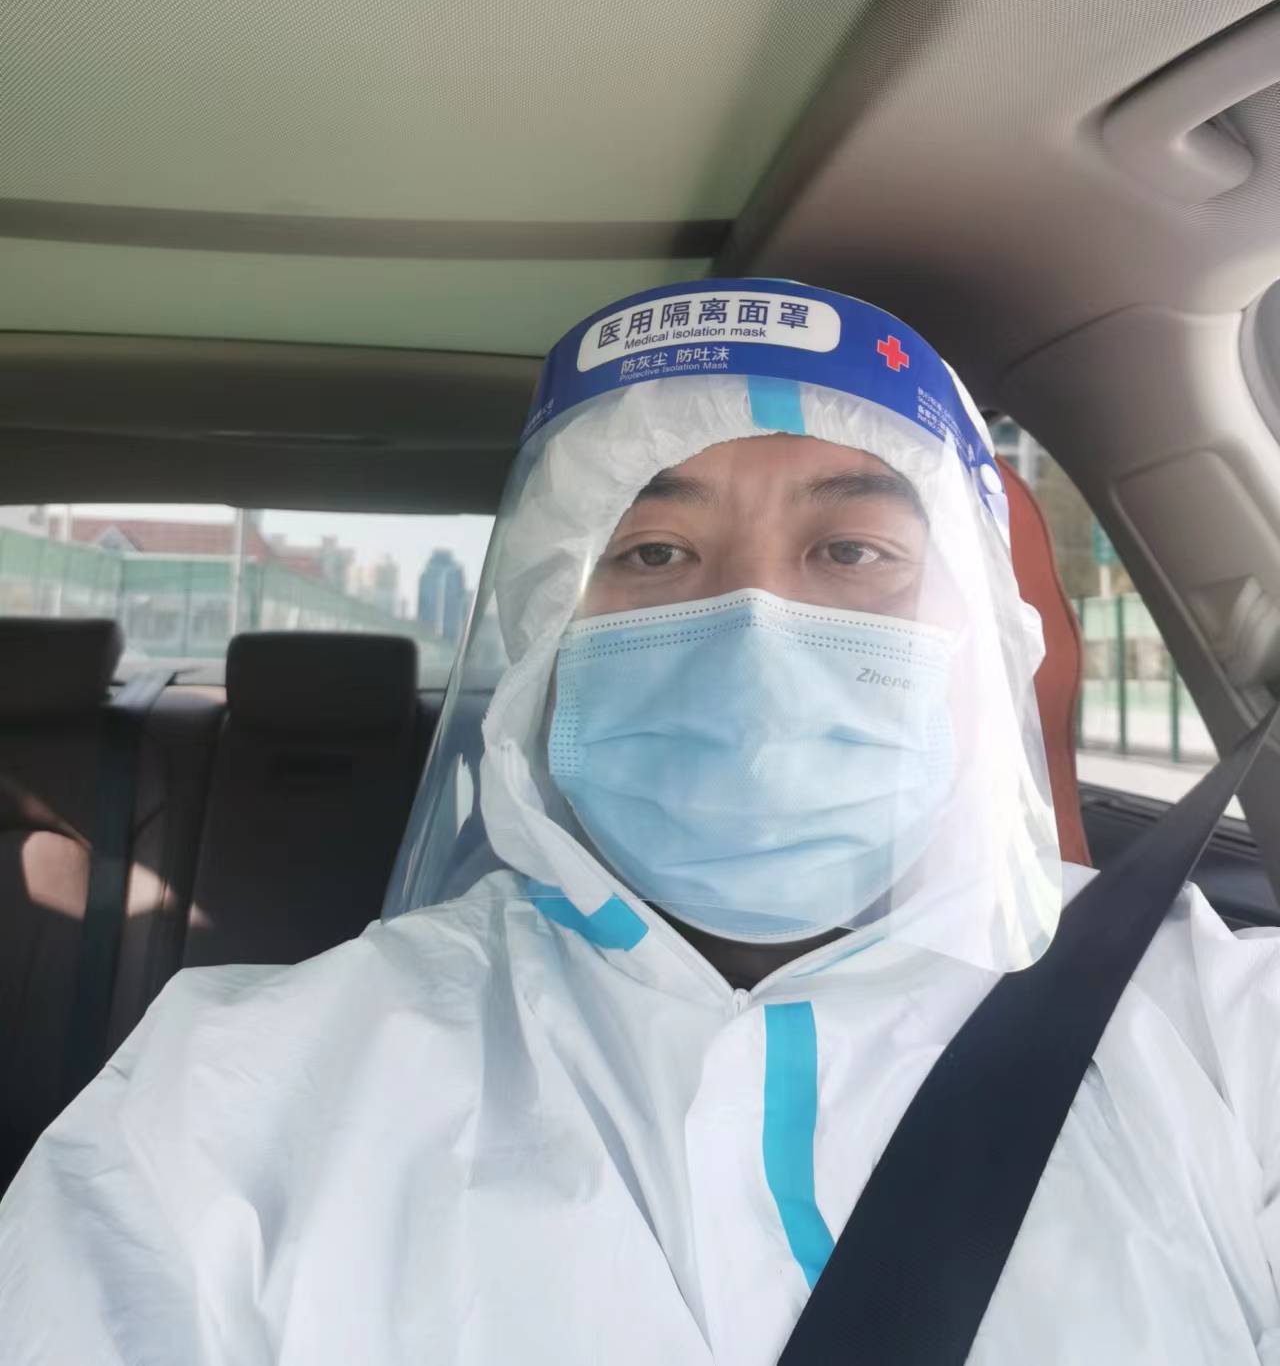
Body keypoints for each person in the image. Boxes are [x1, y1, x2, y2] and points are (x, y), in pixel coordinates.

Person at [1, 279, 1278, 1365]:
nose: (754, 636)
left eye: (853, 550)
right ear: (547, 642)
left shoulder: (1213, 1032)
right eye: (652, 552)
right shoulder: (227, 1101)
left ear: (984, 639)